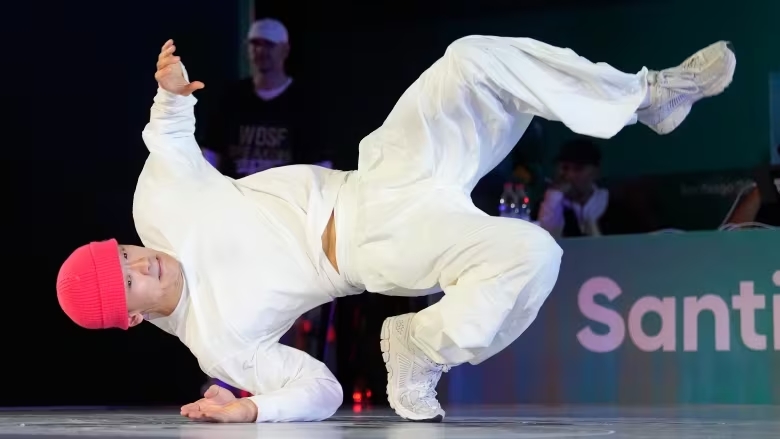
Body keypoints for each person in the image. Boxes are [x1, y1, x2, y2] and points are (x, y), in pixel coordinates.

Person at [56, 36, 735, 423]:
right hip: (374, 246)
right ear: (131, 319)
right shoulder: (218, 341)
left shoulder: (159, 208)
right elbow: (318, 389)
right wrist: (254, 412)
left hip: (378, 176)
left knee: (470, 58)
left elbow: (169, 137)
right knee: (532, 253)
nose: (144, 262)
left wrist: (170, 92)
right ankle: (419, 347)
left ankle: (646, 96)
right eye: (131, 280)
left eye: (127, 254)